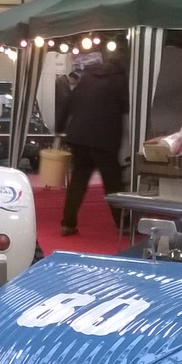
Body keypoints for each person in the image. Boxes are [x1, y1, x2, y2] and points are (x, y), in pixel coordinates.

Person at [54, 50, 129, 236]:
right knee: (113, 183)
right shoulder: (120, 80)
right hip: (104, 138)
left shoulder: (87, 78)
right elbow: (127, 106)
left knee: (77, 182)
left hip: (79, 137)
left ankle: (67, 223)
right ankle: (123, 224)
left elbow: (68, 102)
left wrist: (59, 127)